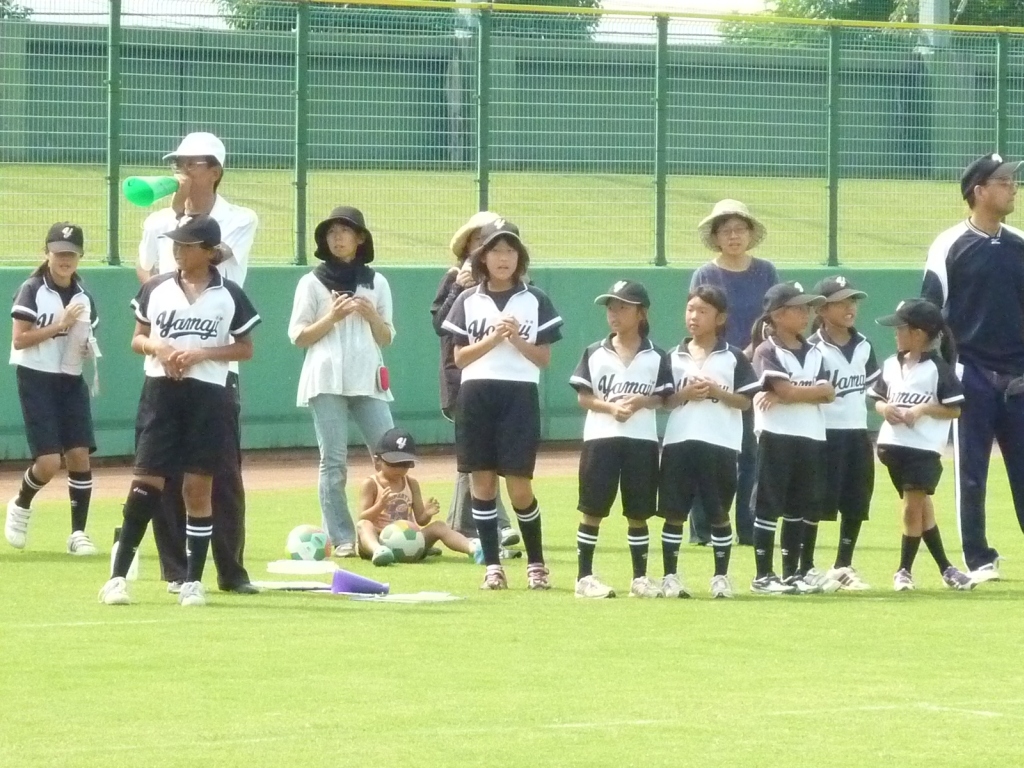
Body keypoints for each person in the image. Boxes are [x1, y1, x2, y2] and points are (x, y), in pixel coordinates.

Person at [99, 214, 260, 606]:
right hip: (161, 393)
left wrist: (202, 353)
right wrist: (158, 346)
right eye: (176, 244)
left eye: (186, 245)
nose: (177, 251)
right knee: (146, 484)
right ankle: (117, 579)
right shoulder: (156, 288)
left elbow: (245, 348)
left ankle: (192, 582)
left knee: (197, 488)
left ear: (208, 251)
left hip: (209, 396)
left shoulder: (229, 294)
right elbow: (137, 338)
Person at [136, 131, 259, 594]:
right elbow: (147, 275)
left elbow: (220, 261)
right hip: (165, 366)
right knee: (162, 470)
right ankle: (176, 571)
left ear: (215, 170)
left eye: (192, 163)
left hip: (215, 369)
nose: (182, 171)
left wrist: (187, 224)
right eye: (178, 164)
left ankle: (231, 571)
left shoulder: (239, 218)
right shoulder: (156, 221)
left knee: (219, 472)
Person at [441, 219, 564, 590]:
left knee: (519, 486)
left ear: (519, 258)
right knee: (481, 483)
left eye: (510, 250)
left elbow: (544, 358)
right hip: (476, 394)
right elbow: (459, 358)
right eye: (495, 250)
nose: (503, 258)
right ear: (483, 257)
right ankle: (493, 566)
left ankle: (536, 564)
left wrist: (517, 340)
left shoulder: (534, 299)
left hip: (519, 395)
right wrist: (494, 338)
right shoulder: (467, 299)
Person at [922, 153, 1024, 582]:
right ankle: (979, 559)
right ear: (979, 191)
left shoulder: (1019, 243)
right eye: (1004, 182)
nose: (1013, 188)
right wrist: (939, 375)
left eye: (1013, 181)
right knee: (971, 474)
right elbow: (929, 314)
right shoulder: (949, 245)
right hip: (970, 374)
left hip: (1019, 378)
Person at [288, 206, 395, 558]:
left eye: (345, 231)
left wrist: (372, 315)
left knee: (391, 454)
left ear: (360, 238)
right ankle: (342, 537)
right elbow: (299, 336)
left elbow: (386, 337)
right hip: (326, 379)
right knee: (333, 462)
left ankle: (393, 529)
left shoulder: (377, 282)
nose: (338, 238)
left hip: (368, 377)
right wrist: (331, 317)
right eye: (331, 232)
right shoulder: (311, 282)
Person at [569, 280, 673, 599]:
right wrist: (611, 407)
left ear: (641, 313)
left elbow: (664, 398)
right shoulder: (594, 352)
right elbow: (584, 397)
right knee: (593, 509)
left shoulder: (656, 355)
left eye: (623, 307)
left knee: (638, 512)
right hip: (601, 438)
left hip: (641, 440)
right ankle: (584, 577)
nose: (614, 314)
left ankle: (639, 578)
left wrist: (642, 401)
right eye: (611, 308)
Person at [660, 286, 759, 599]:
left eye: (702, 311)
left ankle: (720, 577)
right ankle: (670, 576)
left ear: (720, 318)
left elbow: (745, 402)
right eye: (690, 309)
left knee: (718, 512)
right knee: (674, 512)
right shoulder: (673, 357)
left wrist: (718, 392)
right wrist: (685, 394)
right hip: (679, 441)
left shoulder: (733, 357)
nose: (694, 316)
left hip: (720, 443)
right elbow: (665, 402)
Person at [689, 199, 779, 546]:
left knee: (750, 453)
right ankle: (703, 529)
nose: (733, 236)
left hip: (755, 369)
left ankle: (748, 526)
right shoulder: (705, 274)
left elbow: (773, 317)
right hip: (713, 367)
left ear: (750, 234)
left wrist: (752, 352)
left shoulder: (766, 271)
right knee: (706, 449)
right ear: (715, 237)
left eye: (739, 229)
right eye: (726, 230)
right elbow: (698, 318)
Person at [6, 223, 99, 555]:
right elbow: (20, 339)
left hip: (70, 379)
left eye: (71, 253)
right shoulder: (32, 289)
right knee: (48, 463)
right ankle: (21, 503)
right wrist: (61, 325)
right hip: (36, 377)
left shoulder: (83, 296)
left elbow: (85, 336)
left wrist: (86, 347)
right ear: (47, 253)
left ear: (80, 257)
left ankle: (78, 533)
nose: (64, 259)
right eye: (59, 252)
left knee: (79, 454)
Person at [868, 299, 974, 591]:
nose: (895, 334)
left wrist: (923, 409)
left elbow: (954, 409)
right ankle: (947, 569)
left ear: (917, 333)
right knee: (922, 510)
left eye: (900, 328)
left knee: (911, 510)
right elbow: (877, 399)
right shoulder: (892, 364)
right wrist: (885, 409)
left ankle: (903, 570)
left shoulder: (938, 369)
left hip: (923, 449)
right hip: (892, 446)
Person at [430, 211, 516, 548]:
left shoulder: (510, 285)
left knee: (476, 457)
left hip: (502, 381)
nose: (485, 246)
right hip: (461, 378)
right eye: (479, 240)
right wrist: (458, 289)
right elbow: (439, 324)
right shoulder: (455, 278)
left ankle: (462, 524)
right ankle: (497, 523)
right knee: (476, 456)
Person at [749, 282, 835, 595]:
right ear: (777, 315)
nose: (805, 314)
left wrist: (788, 394)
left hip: (810, 435)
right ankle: (763, 575)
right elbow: (787, 390)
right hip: (777, 434)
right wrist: (796, 393)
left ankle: (792, 573)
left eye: (806, 308)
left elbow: (829, 393)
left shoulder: (814, 351)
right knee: (769, 504)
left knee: (799, 505)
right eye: (798, 308)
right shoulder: (767, 350)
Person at [808, 276, 879, 591]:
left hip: (857, 432)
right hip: (823, 433)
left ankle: (843, 564)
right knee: (814, 501)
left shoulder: (863, 345)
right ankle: (806, 566)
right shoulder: (812, 348)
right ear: (821, 310)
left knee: (856, 500)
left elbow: (873, 389)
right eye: (840, 302)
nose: (850, 307)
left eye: (853, 301)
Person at [356, 427, 483, 566]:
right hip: (380, 538)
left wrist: (427, 514)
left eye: (405, 464)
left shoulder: (411, 483)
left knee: (439, 526)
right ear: (377, 461)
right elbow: (363, 518)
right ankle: (378, 551)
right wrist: (380, 505)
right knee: (363, 526)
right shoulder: (371, 484)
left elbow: (421, 520)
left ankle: (474, 549)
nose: (399, 469)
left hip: (409, 542)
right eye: (393, 464)